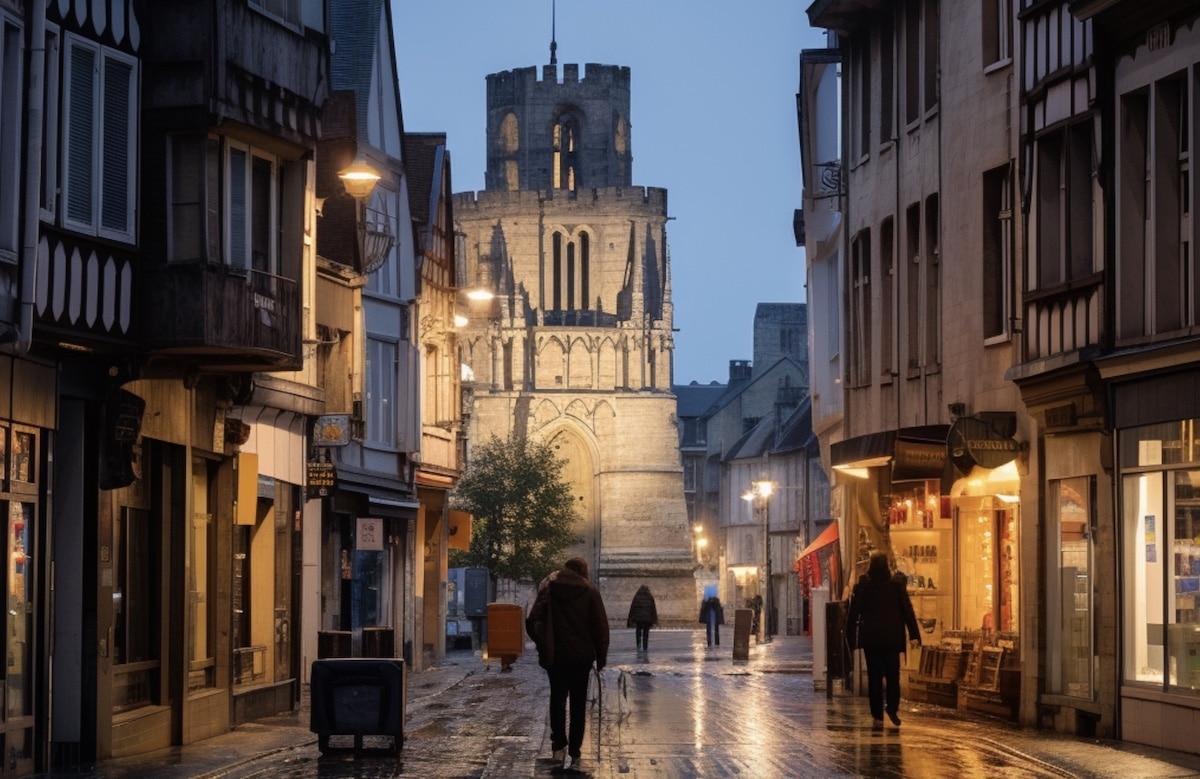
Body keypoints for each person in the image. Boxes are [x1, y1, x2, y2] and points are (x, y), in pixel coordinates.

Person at [525, 557, 610, 771]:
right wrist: (601, 659)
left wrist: (544, 644)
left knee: (557, 700)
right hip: (581, 658)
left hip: (557, 657)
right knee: (578, 705)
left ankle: (558, 747)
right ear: (583, 571)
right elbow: (601, 629)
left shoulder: (550, 590)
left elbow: (532, 620)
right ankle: (575, 752)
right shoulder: (590, 592)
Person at [846, 551, 921, 727]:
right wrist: (914, 635)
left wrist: (849, 636)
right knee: (893, 676)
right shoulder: (896, 587)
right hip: (892, 640)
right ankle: (892, 708)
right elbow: (907, 611)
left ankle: (877, 714)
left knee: (875, 677)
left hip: (871, 640)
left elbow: (853, 613)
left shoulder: (864, 587)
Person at [626, 584, 658, 653]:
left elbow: (632, 608)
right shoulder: (650, 596)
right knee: (646, 633)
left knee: (638, 632)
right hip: (647, 619)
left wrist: (630, 620)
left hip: (639, 619)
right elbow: (653, 608)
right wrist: (654, 619)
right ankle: (645, 646)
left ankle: (638, 644)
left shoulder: (637, 597)